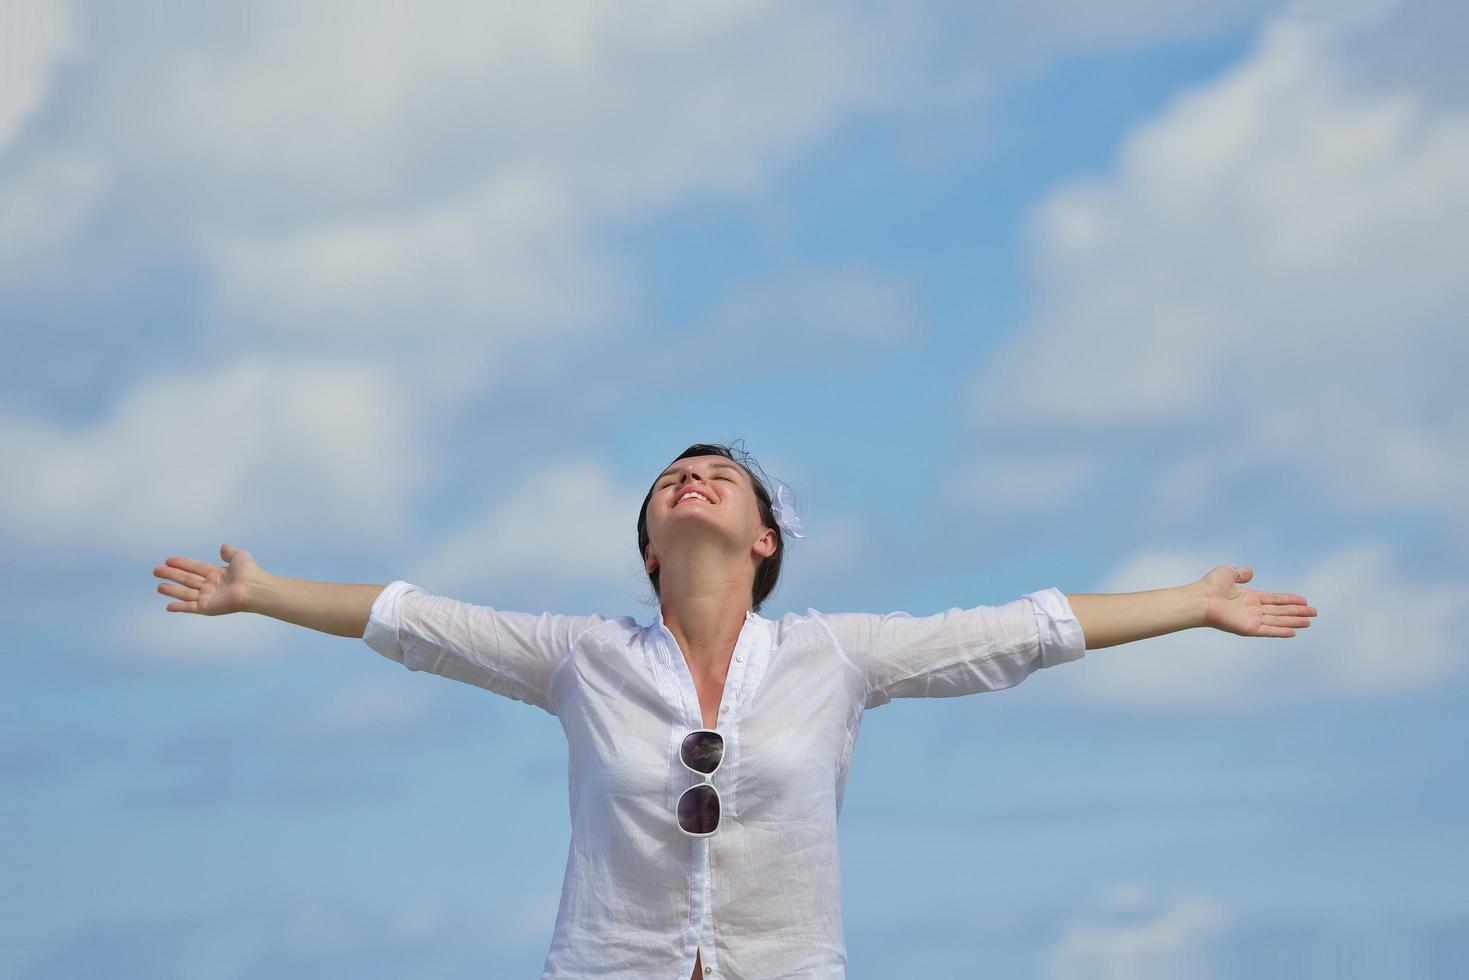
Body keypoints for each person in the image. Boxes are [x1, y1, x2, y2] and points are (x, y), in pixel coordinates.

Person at [153, 441, 1317, 979]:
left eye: (721, 474)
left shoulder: (835, 655)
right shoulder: (580, 656)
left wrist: (1191, 604)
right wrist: (260, 593)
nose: (691, 477)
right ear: (649, 540)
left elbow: (1020, 629)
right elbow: (412, 618)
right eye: (670, 477)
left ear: (762, 537)